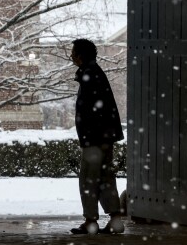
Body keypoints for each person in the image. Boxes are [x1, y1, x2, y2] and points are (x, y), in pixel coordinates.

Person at [69, 38, 125, 235]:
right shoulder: (95, 73)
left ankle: (91, 221)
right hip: (104, 137)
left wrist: (88, 137)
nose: (71, 56)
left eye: (73, 52)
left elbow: (89, 111)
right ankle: (115, 220)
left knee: (88, 180)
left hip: (94, 138)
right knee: (105, 178)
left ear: (80, 55)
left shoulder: (89, 75)